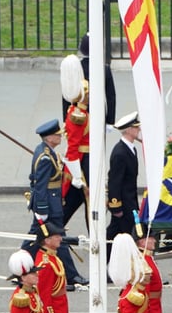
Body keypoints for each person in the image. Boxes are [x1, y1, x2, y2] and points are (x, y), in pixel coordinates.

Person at [23, 119, 88, 287]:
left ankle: (21, 265)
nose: (61, 137)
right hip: (50, 206)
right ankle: (72, 275)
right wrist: (42, 208)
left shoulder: (48, 152)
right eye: (58, 135)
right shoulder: (45, 157)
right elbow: (40, 184)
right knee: (58, 237)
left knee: (35, 237)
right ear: (50, 137)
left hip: (51, 202)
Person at [105, 111, 142, 262]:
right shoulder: (120, 152)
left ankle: (109, 263)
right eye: (136, 127)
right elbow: (114, 181)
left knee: (116, 235)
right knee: (125, 235)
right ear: (128, 130)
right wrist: (116, 206)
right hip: (123, 204)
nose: (138, 130)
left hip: (129, 202)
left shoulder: (130, 148)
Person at [60, 54, 90, 230]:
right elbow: (73, 147)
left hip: (85, 160)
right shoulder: (77, 116)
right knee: (90, 202)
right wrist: (77, 175)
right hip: (82, 162)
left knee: (73, 202)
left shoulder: (80, 112)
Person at [62, 32, 117, 127]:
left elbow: (67, 93)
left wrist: (65, 118)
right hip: (98, 114)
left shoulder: (75, 68)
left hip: (76, 115)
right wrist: (110, 121)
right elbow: (111, 96)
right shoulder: (104, 69)